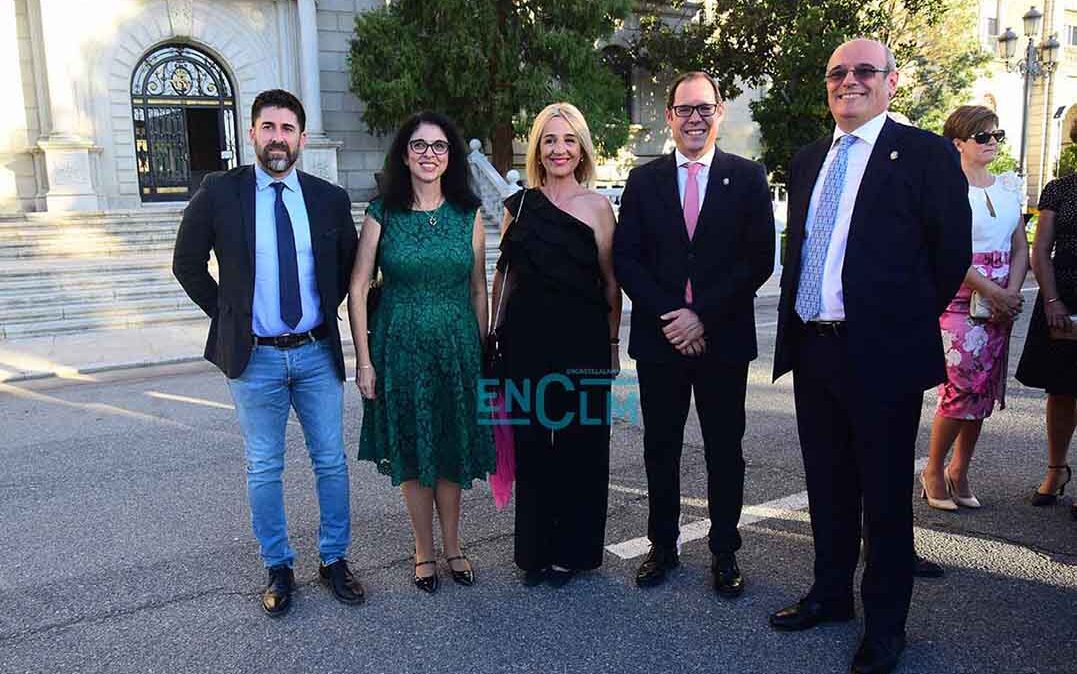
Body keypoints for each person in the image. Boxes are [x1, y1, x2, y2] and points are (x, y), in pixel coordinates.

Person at [770, 40, 971, 674]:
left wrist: (896, 321)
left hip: (882, 354)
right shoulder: (810, 159)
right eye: (837, 73)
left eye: (863, 71)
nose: (848, 81)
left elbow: (950, 253)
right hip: (814, 347)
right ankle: (831, 594)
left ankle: (886, 626)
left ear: (890, 82)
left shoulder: (926, 154)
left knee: (883, 496)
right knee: (827, 485)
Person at [173, 89, 364, 617]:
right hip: (253, 357)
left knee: (331, 461)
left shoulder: (328, 198)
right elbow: (187, 263)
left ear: (301, 138)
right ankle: (278, 566)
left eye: (287, 129)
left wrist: (326, 312)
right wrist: (230, 316)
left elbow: (348, 269)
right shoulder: (220, 192)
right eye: (269, 127)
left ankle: (334, 559)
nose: (278, 138)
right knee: (263, 466)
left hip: (315, 353)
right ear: (252, 133)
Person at [613, 72, 775, 596]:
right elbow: (627, 259)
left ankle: (725, 551)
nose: (694, 119)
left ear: (719, 112)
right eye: (684, 109)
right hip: (660, 340)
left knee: (724, 449)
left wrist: (701, 314)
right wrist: (674, 316)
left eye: (704, 108)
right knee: (660, 447)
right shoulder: (644, 181)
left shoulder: (747, 177)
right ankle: (662, 545)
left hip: (723, 340)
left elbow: (758, 260)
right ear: (669, 117)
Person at [349, 111, 494, 593]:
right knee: (413, 450)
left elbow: (478, 289)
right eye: (419, 145)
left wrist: (481, 354)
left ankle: (453, 546)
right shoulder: (381, 213)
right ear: (404, 155)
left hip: (457, 350)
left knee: (450, 447)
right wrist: (364, 360)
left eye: (439, 146)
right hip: (399, 350)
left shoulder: (469, 214)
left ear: (450, 157)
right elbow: (358, 287)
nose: (429, 154)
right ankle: (423, 551)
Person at [492, 102, 621, 588]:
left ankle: (574, 552)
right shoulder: (519, 206)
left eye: (568, 140)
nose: (559, 149)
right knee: (532, 447)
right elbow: (504, 277)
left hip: (583, 342)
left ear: (581, 149)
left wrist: (612, 344)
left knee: (580, 447)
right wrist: (492, 337)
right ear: (537, 150)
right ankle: (534, 552)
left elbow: (611, 284)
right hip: (525, 341)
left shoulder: (599, 207)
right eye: (549, 140)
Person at [921, 105, 1028, 511]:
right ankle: (933, 470)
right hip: (960, 296)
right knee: (961, 387)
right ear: (958, 144)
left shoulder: (1008, 187)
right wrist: (991, 291)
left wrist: (1010, 293)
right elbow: (946, 252)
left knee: (983, 389)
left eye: (997, 135)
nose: (992, 142)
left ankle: (960, 470)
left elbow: (1020, 248)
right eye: (982, 136)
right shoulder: (948, 190)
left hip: (1001, 300)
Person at [1016, 172, 1077, 520]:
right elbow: (1040, 250)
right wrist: (1052, 301)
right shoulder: (1059, 188)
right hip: (1062, 299)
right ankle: (1056, 470)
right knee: (1061, 389)